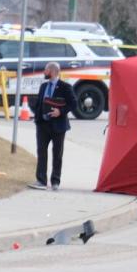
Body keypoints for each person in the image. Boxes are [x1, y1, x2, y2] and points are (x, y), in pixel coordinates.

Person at [28, 62, 77, 191]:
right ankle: (41, 180)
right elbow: (40, 103)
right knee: (41, 152)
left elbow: (73, 104)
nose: (44, 72)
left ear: (52, 71)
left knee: (57, 153)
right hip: (43, 125)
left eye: (46, 70)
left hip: (58, 126)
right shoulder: (43, 86)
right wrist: (36, 116)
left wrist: (60, 112)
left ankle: (55, 181)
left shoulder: (65, 87)